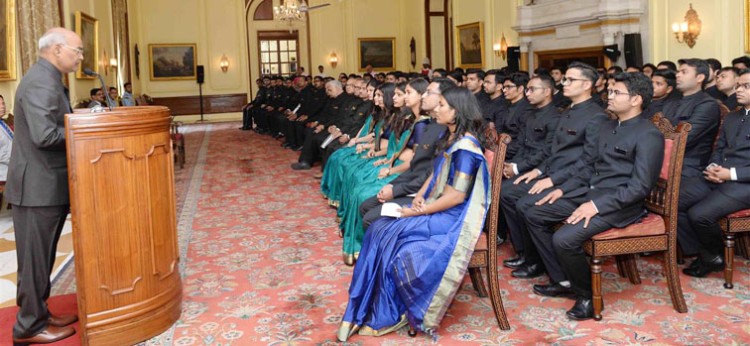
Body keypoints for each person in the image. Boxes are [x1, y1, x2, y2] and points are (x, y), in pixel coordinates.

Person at [336, 86, 489, 341]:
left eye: (442, 105)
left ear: (457, 111)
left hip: (453, 219)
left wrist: (419, 210)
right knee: (379, 229)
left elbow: (457, 195)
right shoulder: (451, 138)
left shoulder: (466, 147)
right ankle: (369, 306)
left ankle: (388, 311)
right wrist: (419, 198)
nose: (436, 109)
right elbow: (434, 174)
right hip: (435, 207)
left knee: (384, 230)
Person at [525, 72, 664, 320]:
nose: (609, 97)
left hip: (619, 205)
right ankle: (563, 280)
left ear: (636, 100)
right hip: (589, 194)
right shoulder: (609, 126)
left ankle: (587, 297)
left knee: (564, 239)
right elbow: (589, 166)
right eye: (609, 91)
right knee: (535, 213)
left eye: (616, 93)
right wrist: (562, 189)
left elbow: (640, 187)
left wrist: (597, 206)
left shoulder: (648, 134)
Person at [7, 27, 81, 344]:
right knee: (35, 259)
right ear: (56, 49)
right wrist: (81, 127)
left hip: (46, 184)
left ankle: (39, 311)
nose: (80, 57)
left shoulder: (49, 78)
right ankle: (28, 327)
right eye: (77, 50)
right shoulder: (40, 82)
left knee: (42, 258)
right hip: (37, 187)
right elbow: (45, 136)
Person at [680, 68, 750, 277]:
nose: (739, 90)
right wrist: (713, 166)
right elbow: (719, 148)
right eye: (738, 86)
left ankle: (713, 255)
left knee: (699, 214)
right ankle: (703, 252)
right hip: (719, 176)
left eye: (746, 86)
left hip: (744, 183)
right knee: (674, 200)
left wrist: (732, 174)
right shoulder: (733, 117)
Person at [0, 95, 12, 181]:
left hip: (10, 171)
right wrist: (14, 159)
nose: (2, 106)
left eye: (3, 103)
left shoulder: (3, 123)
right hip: (2, 174)